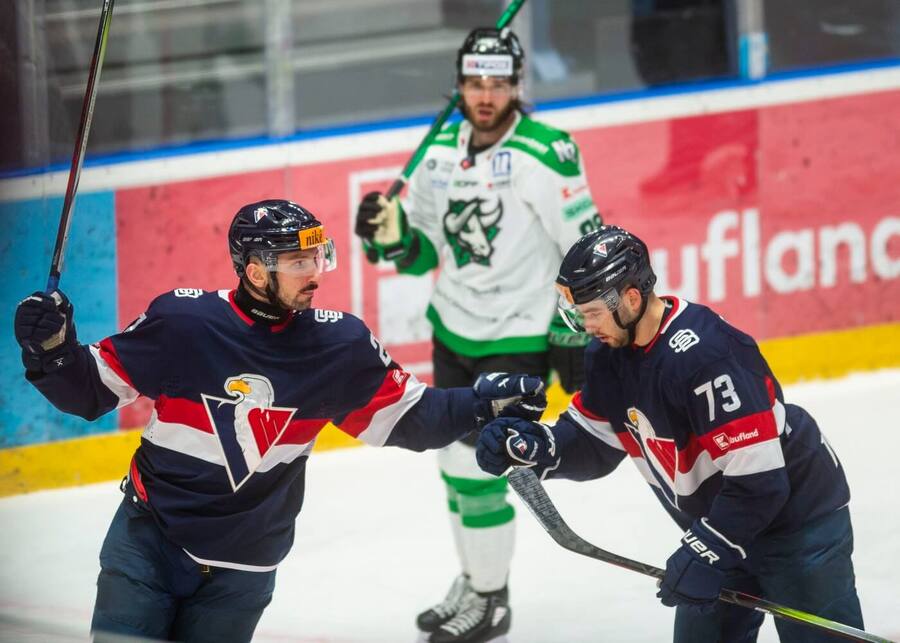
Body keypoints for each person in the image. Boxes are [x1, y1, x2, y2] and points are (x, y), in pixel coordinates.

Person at [12, 199, 547, 643]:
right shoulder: (184, 324)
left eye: (318, 258)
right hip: (150, 540)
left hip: (245, 566)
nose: (315, 274)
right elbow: (87, 392)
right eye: (298, 262)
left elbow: (413, 419)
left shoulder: (338, 348)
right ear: (254, 271)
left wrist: (482, 402)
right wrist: (52, 349)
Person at [476, 225, 865, 642]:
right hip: (723, 524)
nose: (585, 327)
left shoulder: (705, 356)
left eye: (591, 313)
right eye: (578, 314)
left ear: (630, 298)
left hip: (796, 524)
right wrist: (538, 448)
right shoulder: (608, 356)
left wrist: (709, 548)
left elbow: (760, 480)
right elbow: (593, 442)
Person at [354, 27, 601, 643]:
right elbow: (421, 253)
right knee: (453, 463)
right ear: (459, 85)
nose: (485, 95)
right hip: (454, 328)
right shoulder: (440, 149)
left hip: (517, 337)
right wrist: (391, 237)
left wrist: (575, 334)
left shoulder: (549, 153)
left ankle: (491, 599)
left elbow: (586, 246)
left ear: (517, 84)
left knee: (479, 469)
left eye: (497, 83)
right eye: (474, 82)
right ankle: (475, 577)